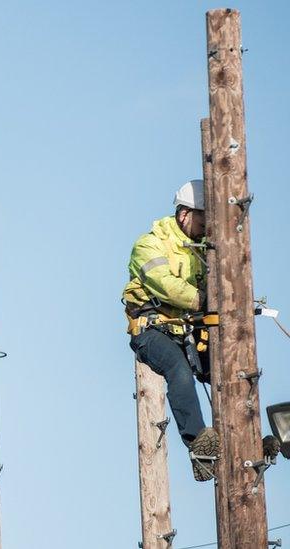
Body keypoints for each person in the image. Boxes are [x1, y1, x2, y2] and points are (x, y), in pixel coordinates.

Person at [123, 179, 279, 480]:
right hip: (152, 330)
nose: (209, 226)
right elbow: (166, 286)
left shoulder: (206, 248)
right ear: (184, 214)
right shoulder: (149, 244)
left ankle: (248, 441)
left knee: (228, 370)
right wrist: (204, 300)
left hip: (187, 328)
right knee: (178, 370)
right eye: (204, 217)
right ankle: (199, 446)